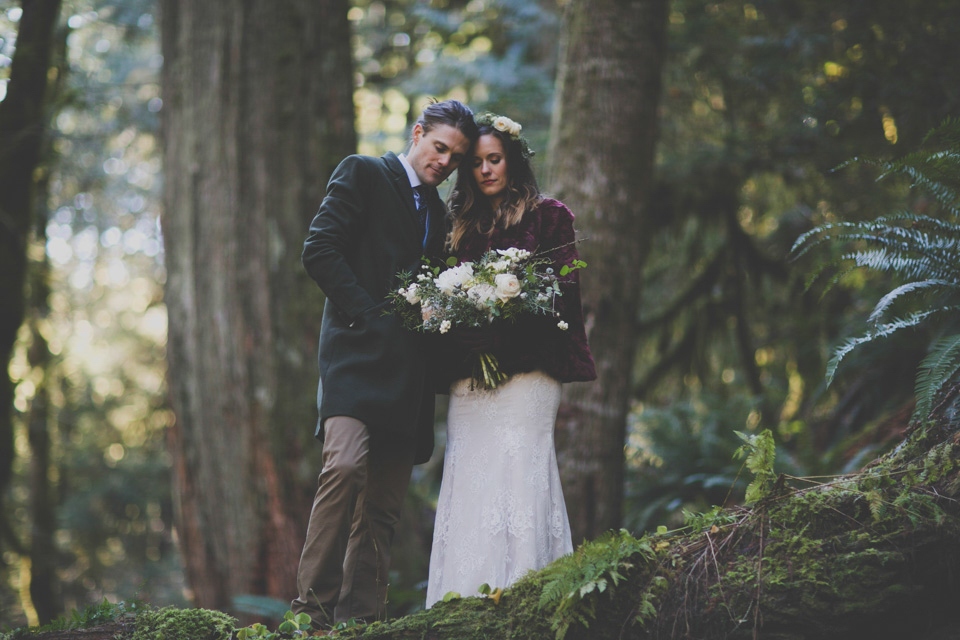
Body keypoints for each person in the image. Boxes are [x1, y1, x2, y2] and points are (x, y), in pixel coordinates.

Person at [293, 99, 478, 628]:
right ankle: (310, 614)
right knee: (345, 465)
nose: (444, 161)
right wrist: (372, 316)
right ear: (418, 133)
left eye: (455, 157)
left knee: (383, 506)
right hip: (355, 357)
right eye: (439, 147)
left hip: (410, 375)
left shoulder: (443, 217)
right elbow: (320, 249)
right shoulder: (364, 172)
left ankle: (364, 623)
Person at [425, 113, 597, 607]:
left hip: (531, 372)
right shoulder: (454, 226)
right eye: (475, 163)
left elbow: (563, 298)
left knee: (522, 472)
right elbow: (437, 302)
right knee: (470, 478)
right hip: (469, 377)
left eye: (494, 159)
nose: (485, 171)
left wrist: (501, 333)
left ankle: (528, 599)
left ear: (512, 160)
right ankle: (459, 602)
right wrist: (467, 338)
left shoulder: (550, 217)